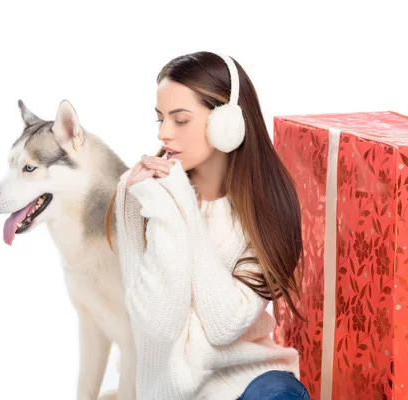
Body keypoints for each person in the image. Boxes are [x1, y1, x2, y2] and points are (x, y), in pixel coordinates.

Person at [105, 51, 310, 400]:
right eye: (160, 119)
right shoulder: (142, 194)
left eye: (180, 120)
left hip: (253, 377)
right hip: (170, 389)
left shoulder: (267, 204)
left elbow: (223, 325)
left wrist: (184, 205)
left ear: (226, 123)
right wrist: (161, 210)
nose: (164, 134)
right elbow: (156, 325)